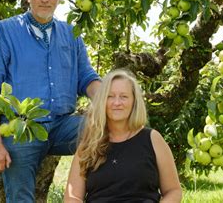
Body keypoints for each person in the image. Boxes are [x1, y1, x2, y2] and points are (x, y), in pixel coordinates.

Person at [0, 0, 101, 202]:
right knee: (21, 198)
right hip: (21, 130)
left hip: (64, 125)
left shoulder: (71, 33)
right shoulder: (6, 31)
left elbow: (87, 78)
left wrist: (110, 101)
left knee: (111, 132)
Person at [64, 69, 182, 202]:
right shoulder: (89, 144)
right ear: (102, 101)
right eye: (110, 96)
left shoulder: (153, 139)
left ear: (134, 102)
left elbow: (174, 191)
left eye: (124, 96)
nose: (117, 103)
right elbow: (72, 197)